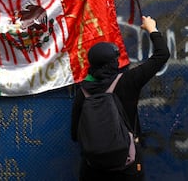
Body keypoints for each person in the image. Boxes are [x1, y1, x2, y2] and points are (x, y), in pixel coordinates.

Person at [71, 15, 170, 181]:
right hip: (128, 163)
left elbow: (75, 134)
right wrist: (152, 28)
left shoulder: (84, 91)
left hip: (93, 167)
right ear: (112, 63)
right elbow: (162, 55)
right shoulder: (128, 81)